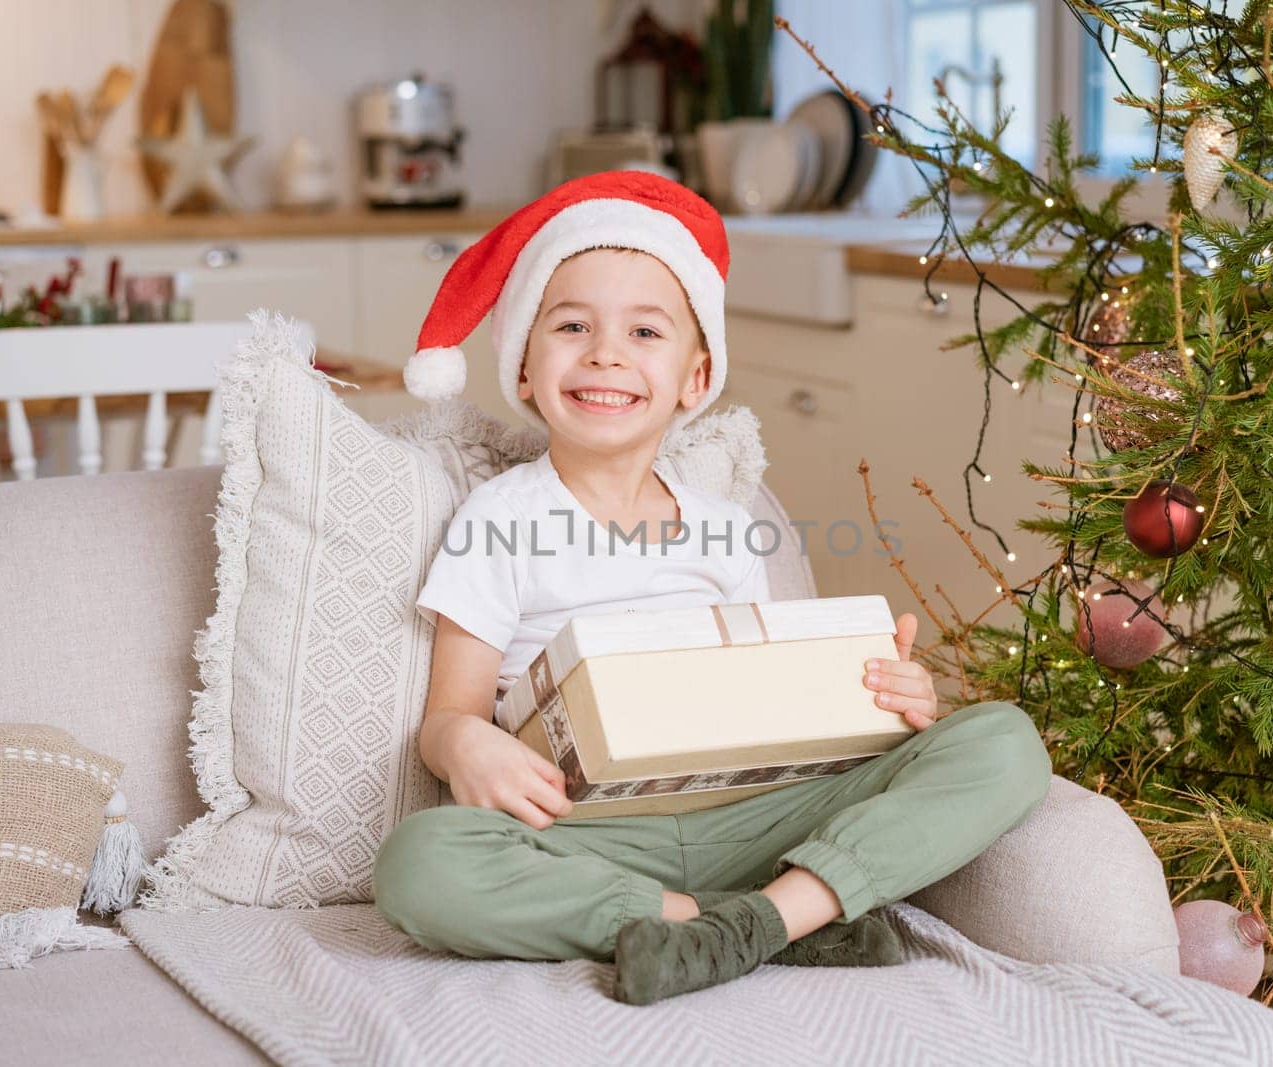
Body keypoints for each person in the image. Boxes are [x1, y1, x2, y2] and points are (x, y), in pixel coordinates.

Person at [373, 170, 1053, 1006]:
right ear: (523, 366)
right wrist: (464, 744)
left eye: (645, 331)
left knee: (1003, 742)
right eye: (573, 325)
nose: (606, 353)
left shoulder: (727, 529)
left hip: (747, 819)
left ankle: (765, 914)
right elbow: (448, 716)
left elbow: (767, 708)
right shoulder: (497, 519)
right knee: (419, 863)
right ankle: (743, 921)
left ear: (695, 381)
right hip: (591, 834)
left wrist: (883, 700)